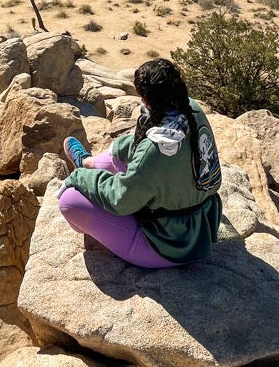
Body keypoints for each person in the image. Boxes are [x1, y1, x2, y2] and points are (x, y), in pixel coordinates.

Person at [58, 58, 222, 268]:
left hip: (170, 244)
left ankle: (86, 179)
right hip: (202, 223)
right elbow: (141, 147)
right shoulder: (191, 109)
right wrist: (116, 150)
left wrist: (80, 178)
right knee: (117, 153)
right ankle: (87, 162)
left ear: (146, 100)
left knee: (69, 200)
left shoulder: (156, 150)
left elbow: (121, 200)